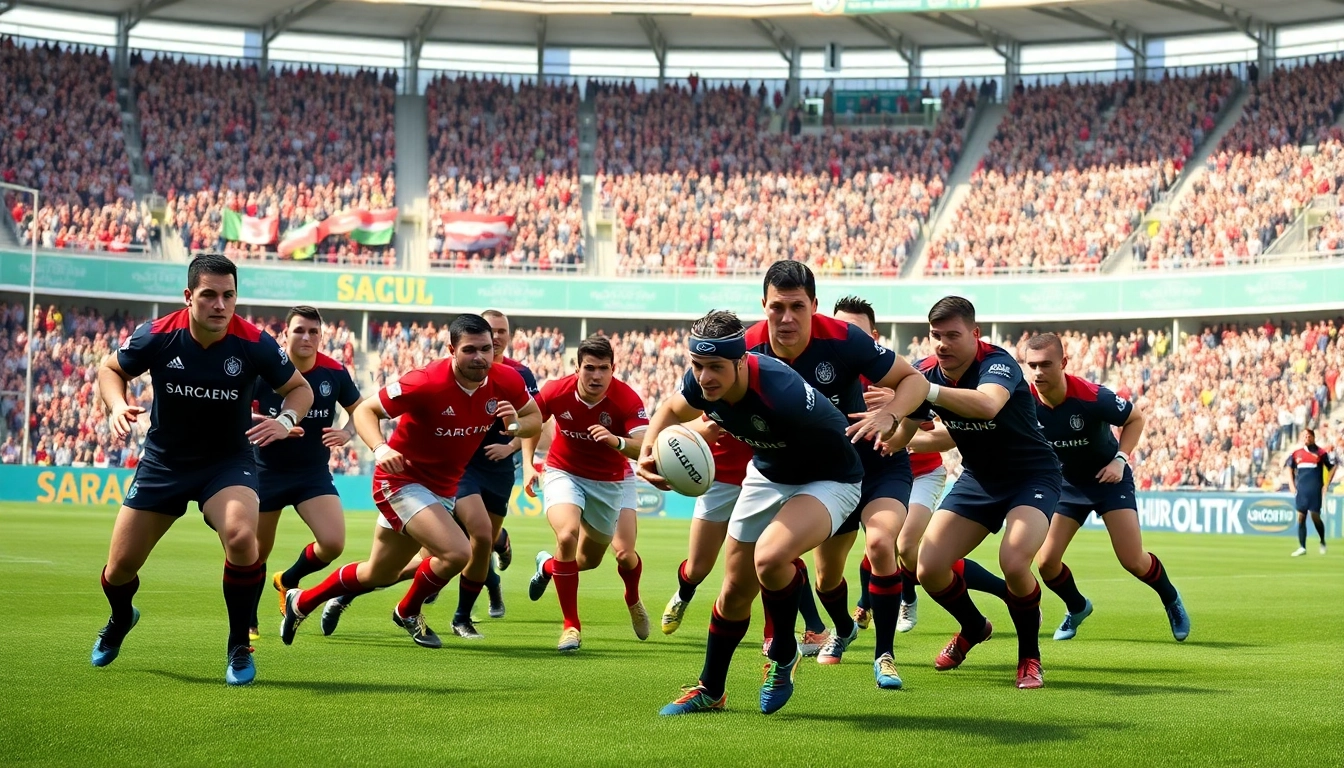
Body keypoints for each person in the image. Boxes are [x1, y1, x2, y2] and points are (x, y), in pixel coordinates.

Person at [92, 254, 313, 686]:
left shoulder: (254, 342)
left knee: (242, 536)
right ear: (189, 297)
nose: (220, 304)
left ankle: (237, 645)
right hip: (164, 463)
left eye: (228, 295)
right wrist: (117, 405)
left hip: (227, 464)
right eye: (209, 295)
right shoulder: (158, 334)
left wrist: (286, 421)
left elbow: (299, 389)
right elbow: (110, 369)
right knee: (118, 570)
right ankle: (121, 618)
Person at [645, 310, 863, 716]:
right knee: (734, 590)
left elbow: (833, 438)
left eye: (716, 367)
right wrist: (649, 450)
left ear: (741, 361)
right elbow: (671, 411)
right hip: (768, 474)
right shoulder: (700, 382)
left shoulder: (781, 395)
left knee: (770, 556)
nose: (705, 376)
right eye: (698, 365)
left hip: (830, 478)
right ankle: (711, 690)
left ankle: (784, 653)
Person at [279, 314, 541, 649]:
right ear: (451, 350)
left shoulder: (506, 380)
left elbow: (534, 418)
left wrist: (514, 428)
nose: (480, 357)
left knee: (380, 573)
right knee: (459, 552)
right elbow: (364, 411)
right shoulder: (426, 381)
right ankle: (408, 611)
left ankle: (302, 601)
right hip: (400, 481)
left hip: (443, 488)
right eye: (470, 350)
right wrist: (380, 447)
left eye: (486, 349)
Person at [746, 265, 939, 687]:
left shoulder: (859, 353)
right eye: (778, 307)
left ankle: (884, 655)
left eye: (799, 307)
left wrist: (890, 417)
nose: (788, 317)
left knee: (881, 541)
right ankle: (843, 629)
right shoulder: (753, 349)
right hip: (829, 475)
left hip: (879, 466)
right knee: (826, 576)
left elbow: (918, 396)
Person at [882, 296, 1062, 689]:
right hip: (979, 479)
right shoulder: (927, 372)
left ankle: (1029, 657)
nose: (942, 344)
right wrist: (887, 433)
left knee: (1014, 563)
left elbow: (985, 406)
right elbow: (911, 431)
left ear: (975, 334)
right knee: (928, 567)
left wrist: (923, 391)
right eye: (935, 336)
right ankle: (973, 626)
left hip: (1032, 477)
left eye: (952, 335)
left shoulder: (997, 364)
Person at [1024, 333, 1190, 643]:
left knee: (1132, 560)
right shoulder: (1025, 401)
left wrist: (1120, 460)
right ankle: (1077, 607)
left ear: (1063, 363)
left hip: (1108, 479)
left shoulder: (1092, 396)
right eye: (1031, 365)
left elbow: (1136, 419)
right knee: (1045, 563)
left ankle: (1171, 599)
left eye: (1045, 365)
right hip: (1067, 483)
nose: (1037, 373)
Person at [521, 335, 650, 653]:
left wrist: (616, 441)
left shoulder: (626, 400)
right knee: (566, 535)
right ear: (576, 368)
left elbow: (644, 445)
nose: (596, 376)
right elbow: (531, 421)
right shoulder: (556, 390)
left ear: (613, 369)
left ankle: (627, 596)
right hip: (563, 472)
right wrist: (527, 464)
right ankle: (571, 627)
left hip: (612, 480)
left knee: (609, 557)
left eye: (603, 369)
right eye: (589, 368)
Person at [251, 306, 364, 642]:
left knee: (333, 543)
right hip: (264, 472)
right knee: (255, 553)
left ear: (321, 336)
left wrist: (347, 432)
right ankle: (249, 619)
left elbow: (361, 410)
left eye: (314, 332)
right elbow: (236, 412)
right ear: (285, 333)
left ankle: (288, 579)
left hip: (312, 474)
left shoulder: (333, 372)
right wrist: (262, 425)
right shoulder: (264, 370)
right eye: (299, 330)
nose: (307, 337)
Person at [1287, 428, 1335, 556]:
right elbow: (1289, 468)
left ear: (1313, 437)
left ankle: (1322, 540)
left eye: (1308, 436)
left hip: (1315, 490)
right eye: (1304, 436)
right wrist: (1291, 485)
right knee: (1301, 516)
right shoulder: (1296, 454)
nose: (1306, 438)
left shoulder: (1321, 453)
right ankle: (1302, 547)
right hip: (1301, 490)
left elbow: (1332, 467)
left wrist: (1327, 484)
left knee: (1315, 516)